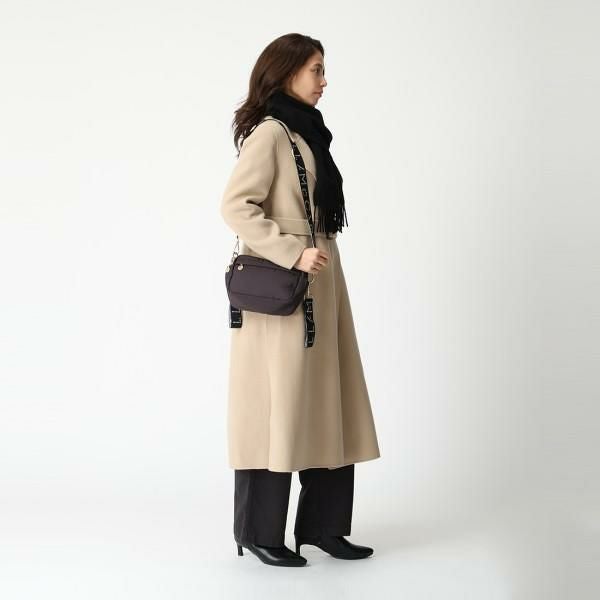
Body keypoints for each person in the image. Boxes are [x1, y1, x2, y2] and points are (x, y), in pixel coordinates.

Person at [220, 33, 381, 567]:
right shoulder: (271, 134)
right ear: (288, 71)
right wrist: (292, 252)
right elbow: (236, 206)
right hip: (285, 294)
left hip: (321, 285)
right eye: (316, 69)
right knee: (276, 408)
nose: (324, 80)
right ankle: (259, 532)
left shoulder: (307, 134)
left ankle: (323, 528)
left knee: (328, 402)